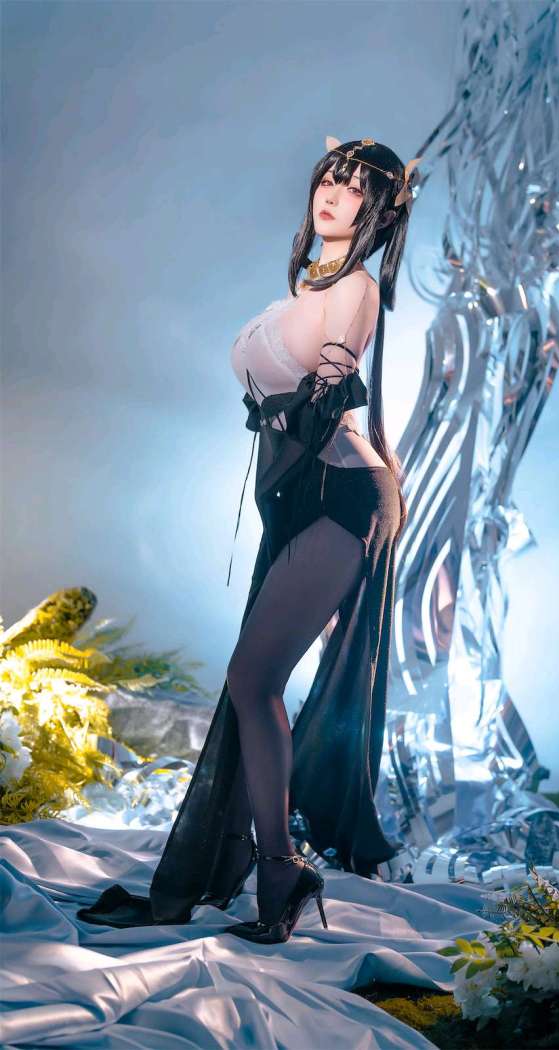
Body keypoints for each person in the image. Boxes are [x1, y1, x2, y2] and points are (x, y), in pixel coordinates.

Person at [77, 136, 420, 943]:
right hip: (300, 496)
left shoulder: (357, 289)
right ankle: (276, 869)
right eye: (329, 178)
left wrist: (307, 465)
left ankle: (279, 865)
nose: (333, 193)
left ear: (380, 212)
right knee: (250, 682)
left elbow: (324, 401)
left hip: (339, 495)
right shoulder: (306, 289)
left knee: (251, 676)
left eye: (355, 187)